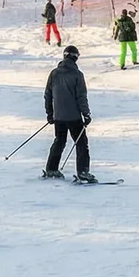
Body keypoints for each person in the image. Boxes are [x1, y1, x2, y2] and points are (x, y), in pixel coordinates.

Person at [43, 45, 94, 182]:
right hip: (74, 117)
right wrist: (86, 114)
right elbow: (81, 97)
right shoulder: (77, 75)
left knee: (59, 141)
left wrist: (50, 113)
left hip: (59, 117)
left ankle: (51, 169)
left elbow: (48, 95)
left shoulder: (54, 73)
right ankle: (83, 172)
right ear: (75, 58)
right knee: (81, 143)